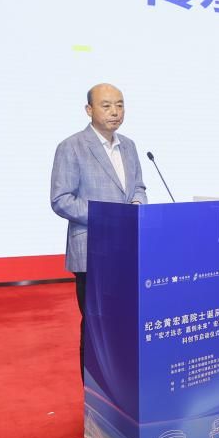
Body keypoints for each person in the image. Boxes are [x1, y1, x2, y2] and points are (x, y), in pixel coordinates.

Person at [50, 83, 147, 379]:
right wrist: (108, 217)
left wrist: (137, 203)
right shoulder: (72, 146)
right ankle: (96, 397)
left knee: (125, 323)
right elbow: (61, 199)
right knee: (96, 328)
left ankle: (124, 389)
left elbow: (139, 187)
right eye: (106, 105)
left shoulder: (129, 146)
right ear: (89, 110)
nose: (115, 111)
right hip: (93, 252)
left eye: (120, 104)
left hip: (128, 250)